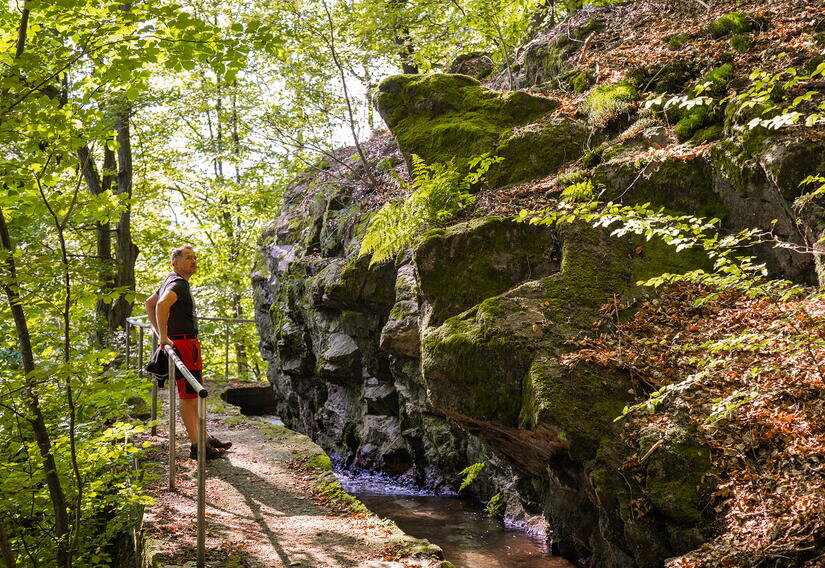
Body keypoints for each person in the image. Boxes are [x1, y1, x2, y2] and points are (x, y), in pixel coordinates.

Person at [145, 245, 231, 459]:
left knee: (193, 395)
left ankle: (204, 437)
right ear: (174, 261)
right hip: (183, 345)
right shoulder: (178, 284)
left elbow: (149, 303)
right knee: (189, 396)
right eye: (188, 258)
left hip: (186, 344)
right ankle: (197, 446)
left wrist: (159, 332)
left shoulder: (171, 279)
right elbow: (161, 305)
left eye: (194, 258)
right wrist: (163, 337)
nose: (193, 261)